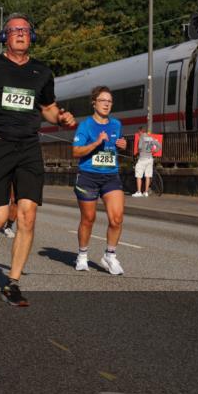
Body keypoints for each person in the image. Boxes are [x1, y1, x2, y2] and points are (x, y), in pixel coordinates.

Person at [0, 13, 75, 307]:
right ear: (4, 37)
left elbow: (48, 107)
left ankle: (12, 282)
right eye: (14, 30)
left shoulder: (42, 72)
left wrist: (60, 118)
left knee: (27, 215)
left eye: (25, 30)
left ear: (32, 37)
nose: (21, 33)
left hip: (29, 147)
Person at [72, 86, 127, 274]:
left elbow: (117, 144)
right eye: (103, 100)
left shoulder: (116, 124)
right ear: (94, 103)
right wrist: (96, 143)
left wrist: (122, 144)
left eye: (109, 101)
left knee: (117, 218)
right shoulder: (85, 126)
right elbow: (76, 151)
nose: (106, 104)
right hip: (88, 176)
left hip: (111, 176)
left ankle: (110, 256)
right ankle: (82, 255)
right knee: (88, 219)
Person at [133, 126, 161, 197]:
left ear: (141, 131)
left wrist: (138, 152)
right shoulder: (151, 138)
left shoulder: (141, 137)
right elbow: (159, 146)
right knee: (148, 176)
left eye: (138, 132)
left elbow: (139, 147)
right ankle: (146, 192)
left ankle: (139, 192)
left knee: (138, 175)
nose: (138, 133)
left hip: (142, 159)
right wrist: (154, 151)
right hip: (150, 159)